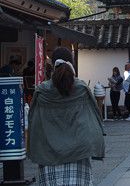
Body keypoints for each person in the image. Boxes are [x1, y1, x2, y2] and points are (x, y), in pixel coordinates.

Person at [28, 47, 104, 185]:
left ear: (52, 64)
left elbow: (34, 121)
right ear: (72, 63)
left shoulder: (42, 91)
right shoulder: (81, 88)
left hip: (49, 153)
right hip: (78, 151)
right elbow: (94, 118)